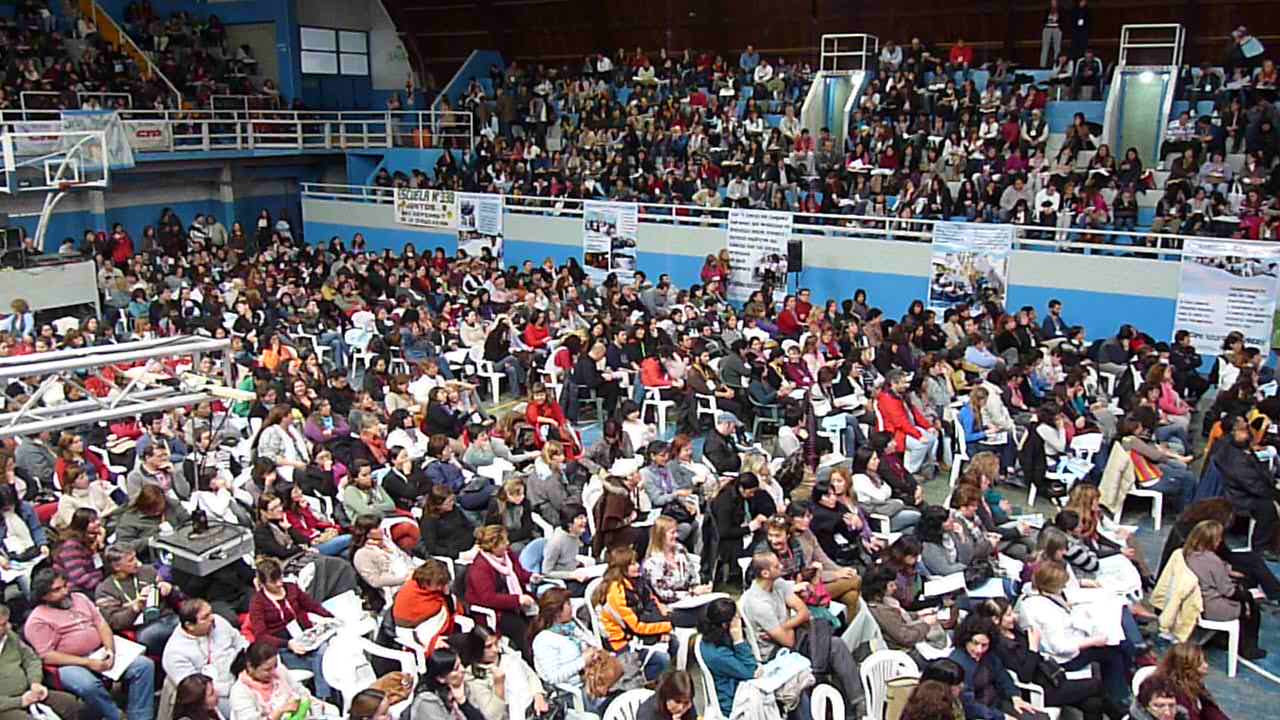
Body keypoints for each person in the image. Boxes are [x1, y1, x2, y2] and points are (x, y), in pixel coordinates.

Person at [740, 550, 865, 719]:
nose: (781, 566)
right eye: (776, 566)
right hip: (775, 654)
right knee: (825, 637)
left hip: (793, 641)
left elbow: (804, 612)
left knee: (835, 643)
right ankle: (819, 677)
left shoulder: (778, 584)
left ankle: (858, 704)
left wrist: (784, 625)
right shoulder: (758, 603)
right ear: (765, 574)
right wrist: (795, 622)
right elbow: (789, 641)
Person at [23, 569, 156, 720]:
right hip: (70, 663)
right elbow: (47, 655)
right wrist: (88, 663)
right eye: (57, 590)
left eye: (65, 585)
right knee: (88, 685)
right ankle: (116, 716)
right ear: (44, 596)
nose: (65, 591)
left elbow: (101, 624)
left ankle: (140, 716)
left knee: (143, 665)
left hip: (100, 651)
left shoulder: (80, 598)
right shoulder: (37, 620)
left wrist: (110, 650)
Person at [973, 598, 1119, 720]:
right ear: (996, 620)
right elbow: (1025, 676)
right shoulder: (999, 647)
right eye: (1009, 615)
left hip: (1050, 677)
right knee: (1096, 684)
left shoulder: (1015, 631)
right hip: (1040, 690)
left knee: (1093, 703)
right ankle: (1123, 715)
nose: (1014, 617)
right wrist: (1033, 648)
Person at [1015, 562, 1133, 705]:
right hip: (1063, 659)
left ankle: (1119, 689)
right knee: (1113, 652)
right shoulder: (1046, 612)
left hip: (1064, 643)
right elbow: (1061, 647)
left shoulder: (1030, 598)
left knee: (1119, 647)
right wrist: (1093, 641)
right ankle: (1119, 697)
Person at [246, 558, 336, 701]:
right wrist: (287, 644)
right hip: (282, 647)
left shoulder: (291, 588)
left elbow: (312, 606)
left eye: (280, 578)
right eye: (273, 582)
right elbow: (261, 636)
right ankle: (323, 697)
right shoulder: (257, 602)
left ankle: (328, 695)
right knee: (322, 659)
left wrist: (332, 618)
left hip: (306, 637)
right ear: (262, 583)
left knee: (329, 652)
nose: (279, 583)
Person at [1181, 520, 1265, 660]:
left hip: (1198, 600)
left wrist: (1227, 570)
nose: (1221, 541)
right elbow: (1229, 591)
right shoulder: (1212, 560)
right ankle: (1249, 650)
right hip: (1213, 606)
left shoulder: (1188, 554)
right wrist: (1248, 597)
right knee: (1253, 609)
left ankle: (1222, 639)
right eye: (1219, 538)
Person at [163, 599, 249, 719]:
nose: (212, 618)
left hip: (241, 679)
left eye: (211, 612)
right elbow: (195, 692)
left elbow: (241, 642)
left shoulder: (218, 622)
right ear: (190, 626)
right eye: (205, 617)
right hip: (215, 696)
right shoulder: (175, 653)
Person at [529, 588, 610, 710]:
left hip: (594, 677)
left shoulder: (571, 626)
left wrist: (592, 650)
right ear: (557, 612)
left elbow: (594, 643)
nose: (572, 606)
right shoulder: (543, 640)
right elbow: (553, 677)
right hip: (573, 693)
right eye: (568, 604)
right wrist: (582, 661)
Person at [93, 544, 182, 656]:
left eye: (135, 557)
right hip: (141, 628)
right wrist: (136, 607)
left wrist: (170, 591)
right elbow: (115, 623)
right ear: (117, 567)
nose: (137, 562)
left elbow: (177, 599)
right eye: (131, 560)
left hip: (167, 616)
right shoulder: (104, 590)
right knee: (153, 636)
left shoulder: (148, 571)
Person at [0, 603, 84, 720]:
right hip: (5, 706)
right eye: (2, 625)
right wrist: (19, 701)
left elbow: (31, 659)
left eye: (6, 623)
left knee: (69, 703)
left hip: (29, 692)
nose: (8, 627)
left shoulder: (10, 636)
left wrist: (35, 682)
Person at [449, 623, 549, 720]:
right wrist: (499, 685)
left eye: (496, 643)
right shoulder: (473, 676)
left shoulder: (508, 656)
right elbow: (493, 716)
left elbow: (530, 674)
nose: (495, 649)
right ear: (478, 649)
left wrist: (538, 695)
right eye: (489, 646)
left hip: (533, 709)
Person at [948, 615, 1040, 720]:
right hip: (979, 713)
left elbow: (1002, 676)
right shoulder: (957, 663)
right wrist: (1002, 717)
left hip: (997, 703)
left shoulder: (989, 656)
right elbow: (968, 705)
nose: (979, 650)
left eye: (984, 645)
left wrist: (1015, 697)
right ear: (966, 640)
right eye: (975, 643)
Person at [466, 525, 538, 657]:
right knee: (522, 630)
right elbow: (488, 598)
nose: (508, 543)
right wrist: (518, 600)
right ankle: (531, 659)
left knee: (540, 618)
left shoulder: (508, 554)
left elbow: (519, 572)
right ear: (493, 546)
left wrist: (530, 576)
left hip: (515, 601)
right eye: (504, 542)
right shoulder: (479, 568)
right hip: (497, 611)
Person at [228, 641, 318, 720]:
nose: (273, 672)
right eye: (267, 669)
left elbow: (299, 690)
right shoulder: (240, 691)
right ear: (250, 667)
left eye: (275, 666)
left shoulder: (280, 671)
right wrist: (280, 711)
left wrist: (312, 702)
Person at [642, 516, 710, 618]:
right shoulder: (652, 562)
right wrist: (691, 593)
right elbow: (663, 594)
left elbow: (692, 575)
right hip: (670, 607)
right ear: (661, 536)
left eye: (676, 532)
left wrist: (698, 588)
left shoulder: (680, 549)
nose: (676, 535)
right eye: (672, 533)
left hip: (691, 600)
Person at [391, 560, 459, 657]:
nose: (440, 588)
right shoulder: (410, 592)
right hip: (413, 636)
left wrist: (447, 593)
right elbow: (405, 622)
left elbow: (452, 606)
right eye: (438, 584)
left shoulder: (435, 593)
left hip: (432, 634)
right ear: (427, 582)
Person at [405, 647, 486, 720]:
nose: (462, 669)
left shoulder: (461, 688)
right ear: (441, 678)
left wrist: (463, 702)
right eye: (456, 668)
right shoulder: (427, 701)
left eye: (461, 664)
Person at [350, 513, 415, 600]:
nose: (382, 528)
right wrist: (405, 578)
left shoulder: (388, 542)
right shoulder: (362, 554)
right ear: (367, 533)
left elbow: (405, 559)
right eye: (377, 527)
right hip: (394, 591)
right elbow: (375, 581)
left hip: (411, 580)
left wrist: (414, 572)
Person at [419, 485, 476, 559]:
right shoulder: (428, 521)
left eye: (452, 500)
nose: (452, 503)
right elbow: (433, 548)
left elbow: (468, 526)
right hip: (457, 553)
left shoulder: (454, 509)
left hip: (472, 545)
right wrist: (458, 555)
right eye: (448, 502)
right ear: (438, 505)